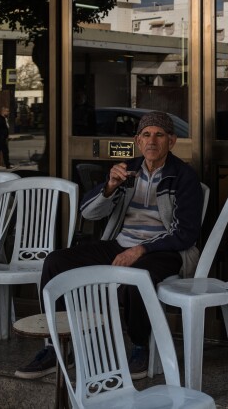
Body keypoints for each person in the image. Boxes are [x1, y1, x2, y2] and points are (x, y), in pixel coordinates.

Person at [15, 111, 203, 381]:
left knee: (137, 277)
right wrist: (109, 186)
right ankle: (57, 346)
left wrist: (140, 249)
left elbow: (185, 234)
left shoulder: (183, 177)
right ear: (138, 141)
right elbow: (88, 213)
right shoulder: (128, 171)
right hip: (121, 244)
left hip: (165, 252)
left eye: (159, 135)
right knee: (56, 262)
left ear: (171, 141)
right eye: (146, 135)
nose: (152, 141)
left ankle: (140, 345)